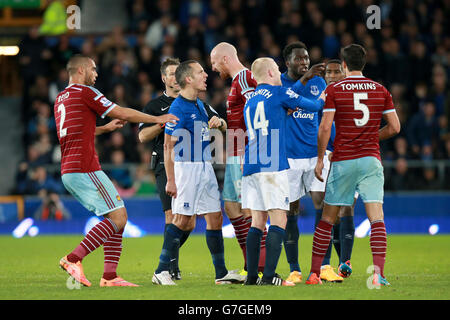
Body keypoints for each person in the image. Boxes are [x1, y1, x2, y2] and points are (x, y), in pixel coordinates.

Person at [57, 54, 178, 287]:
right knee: (120, 216)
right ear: (80, 70)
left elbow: (77, 132)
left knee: (116, 217)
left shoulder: (61, 98)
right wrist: (158, 117)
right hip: (85, 167)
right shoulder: (86, 92)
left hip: (69, 169)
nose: (97, 73)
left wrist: (104, 128)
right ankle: (73, 259)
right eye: (93, 69)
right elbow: (122, 112)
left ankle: (110, 277)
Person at [306, 44, 400, 286]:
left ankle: (315, 273)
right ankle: (378, 274)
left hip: (343, 160)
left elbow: (325, 127)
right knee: (376, 218)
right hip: (371, 161)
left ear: (345, 65)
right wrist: (370, 138)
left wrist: (319, 159)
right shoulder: (381, 89)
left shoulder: (334, 90)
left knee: (327, 218)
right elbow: (395, 127)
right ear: (364, 63)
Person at [152, 59, 244, 286]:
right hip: (186, 169)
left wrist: (219, 122)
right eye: (201, 72)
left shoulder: (200, 105)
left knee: (215, 216)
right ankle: (161, 271)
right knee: (182, 220)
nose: (206, 75)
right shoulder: (177, 108)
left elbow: (222, 124)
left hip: (205, 166)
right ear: (188, 79)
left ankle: (221, 273)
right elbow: (167, 146)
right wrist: (171, 180)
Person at [242, 57, 325, 286]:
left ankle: (251, 278)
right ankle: (269, 278)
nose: (280, 73)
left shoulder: (250, 100)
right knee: (279, 219)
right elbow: (314, 106)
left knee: (257, 222)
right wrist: (325, 97)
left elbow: (283, 105)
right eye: (277, 70)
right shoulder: (279, 94)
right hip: (272, 165)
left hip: (251, 164)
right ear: (270, 73)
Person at [210, 42, 267, 274]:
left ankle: (259, 268)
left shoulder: (244, 78)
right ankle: (249, 265)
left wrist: (252, 148)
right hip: (236, 152)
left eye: (214, 62)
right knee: (232, 207)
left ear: (225, 59)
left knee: (249, 210)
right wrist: (224, 126)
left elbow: (259, 109)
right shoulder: (236, 83)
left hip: (246, 152)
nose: (213, 68)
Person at [138, 57, 196, 281]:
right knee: (171, 216)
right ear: (164, 78)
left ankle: (167, 261)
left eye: (177, 73)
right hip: (164, 165)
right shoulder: (154, 106)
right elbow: (142, 136)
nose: (174, 77)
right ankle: (170, 268)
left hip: (189, 165)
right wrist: (163, 122)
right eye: (171, 74)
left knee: (189, 221)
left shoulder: (193, 102)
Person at [280, 41, 328, 283]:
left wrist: (324, 154)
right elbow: (287, 100)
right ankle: (295, 268)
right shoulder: (279, 83)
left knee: (323, 204)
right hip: (289, 157)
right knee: (292, 211)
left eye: (307, 58)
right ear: (287, 62)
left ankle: (323, 266)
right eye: (299, 59)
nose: (304, 62)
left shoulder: (319, 83)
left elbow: (323, 118)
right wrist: (305, 78)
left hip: (314, 155)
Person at [322, 59, 357, 280]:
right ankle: (331, 264)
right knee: (331, 214)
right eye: (329, 72)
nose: (333, 75)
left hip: (348, 156)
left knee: (347, 208)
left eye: (337, 72)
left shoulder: (351, 97)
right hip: (326, 157)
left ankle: (345, 261)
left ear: (344, 73)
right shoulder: (320, 97)